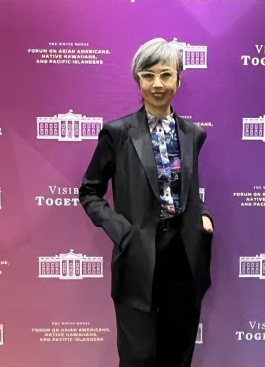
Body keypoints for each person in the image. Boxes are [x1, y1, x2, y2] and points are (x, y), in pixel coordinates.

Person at [79, 37, 214, 367]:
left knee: (178, 350)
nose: (158, 84)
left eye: (166, 75)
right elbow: (89, 192)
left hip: (184, 252)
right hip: (138, 253)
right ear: (138, 80)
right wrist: (123, 232)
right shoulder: (118, 133)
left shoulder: (193, 134)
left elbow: (186, 188)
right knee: (139, 354)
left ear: (179, 80)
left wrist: (204, 216)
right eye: (148, 75)